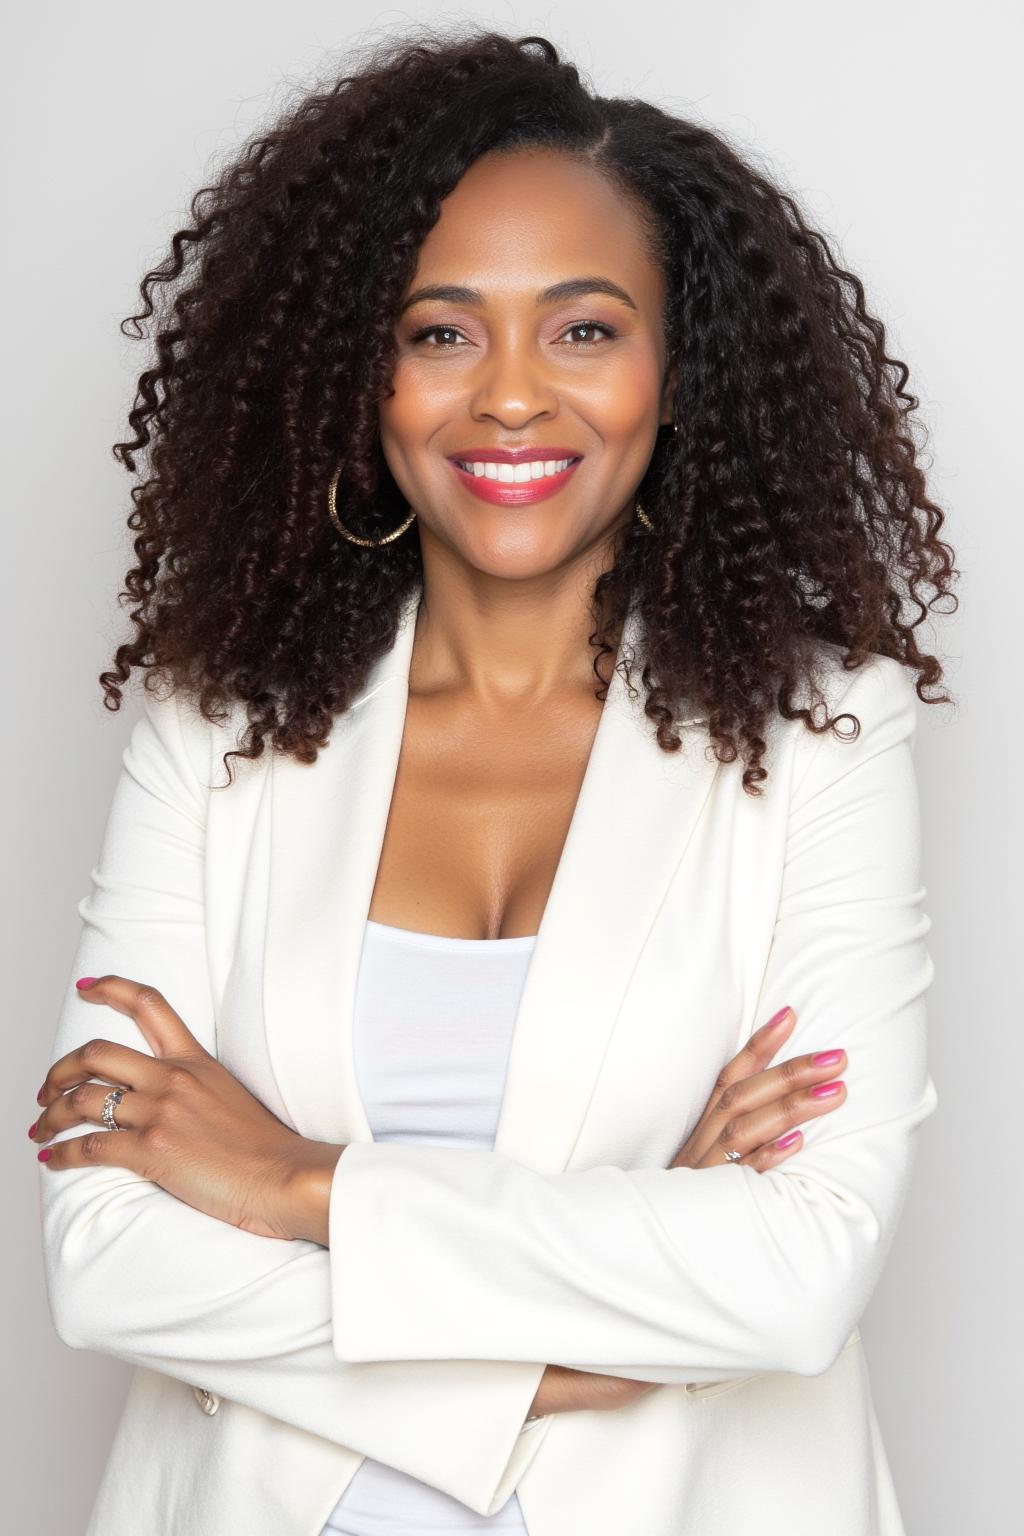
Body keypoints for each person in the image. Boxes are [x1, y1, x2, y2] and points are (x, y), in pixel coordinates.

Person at [31, 26, 957, 1536]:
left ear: (678, 370)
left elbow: (800, 1276)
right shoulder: (214, 730)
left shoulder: (823, 734)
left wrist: (298, 1186)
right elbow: (106, 1258)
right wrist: (593, 1325)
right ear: (362, 376)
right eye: (440, 333)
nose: (511, 398)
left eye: (583, 329)